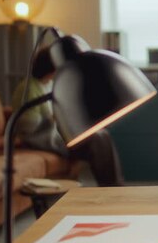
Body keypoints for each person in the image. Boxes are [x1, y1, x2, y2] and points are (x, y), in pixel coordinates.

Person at [11, 48, 124, 186]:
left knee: (101, 133)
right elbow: (28, 127)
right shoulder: (28, 88)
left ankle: (114, 185)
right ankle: (111, 187)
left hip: (57, 133)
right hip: (40, 138)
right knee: (96, 139)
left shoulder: (49, 84)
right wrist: (54, 117)